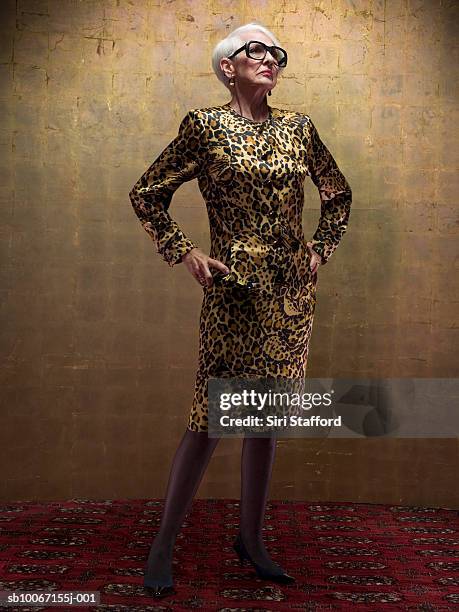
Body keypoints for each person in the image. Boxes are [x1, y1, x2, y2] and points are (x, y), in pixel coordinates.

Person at [128, 20, 352, 599]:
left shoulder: (299, 129)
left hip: (289, 296)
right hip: (233, 291)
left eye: (277, 52)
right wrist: (184, 250)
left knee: (265, 421)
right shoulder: (204, 127)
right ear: (227, 65)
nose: (271, 58)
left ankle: (250, 539)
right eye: (258, 50)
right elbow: (147, 192)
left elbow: (338, 193)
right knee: (211, 421)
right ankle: (162, 545)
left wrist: (319, 249)